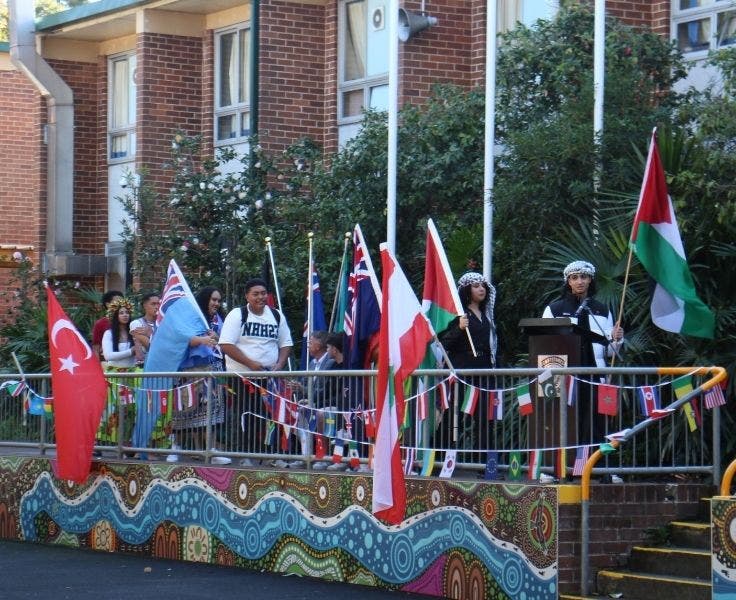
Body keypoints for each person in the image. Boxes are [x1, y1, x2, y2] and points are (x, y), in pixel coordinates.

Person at [542, 260, 624, 453]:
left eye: (584, 277)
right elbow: (544, 345)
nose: (579, 281)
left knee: (597, 421)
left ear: (590, 280)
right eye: (574, 277)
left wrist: (616, 340)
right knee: (564, 421)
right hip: (564, 376)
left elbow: (610, 352)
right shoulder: (554, 309)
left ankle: (599, 468)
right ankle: (560, 468)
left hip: (596, 376)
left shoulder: (602, 310)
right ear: (568, 281)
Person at [218, 278, 293, 466]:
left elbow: (286, 344)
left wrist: (280, 364)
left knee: (271, 417)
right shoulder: (237, 315)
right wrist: (250, 363)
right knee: (246, 416)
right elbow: (226, 344)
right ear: (247, 296)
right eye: (255, 293)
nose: (260, 297)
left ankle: (271, 455)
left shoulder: (276, 315)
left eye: (263, 293)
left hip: (269, 378)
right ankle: (246, 456)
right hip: (242, 378)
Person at [437, 271, 498, 459]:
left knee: (485, 417)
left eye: (483, 286)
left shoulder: (488, 315)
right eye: (476, 286)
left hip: (485, 371)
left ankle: (482, 462)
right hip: (462, 371)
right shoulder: (457, 314)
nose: (481, 289)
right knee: (453, 417)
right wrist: (459, 328)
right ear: (466, 290)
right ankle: (441, 457)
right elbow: (443, 343)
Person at [169, 287, 229, 464]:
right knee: (183, 409)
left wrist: (217, 337)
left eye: (218, 300)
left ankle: (210, 450)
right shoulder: (191, 317)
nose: (217, 304)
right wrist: (202, 340)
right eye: (213, 300)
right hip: (189, 370)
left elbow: (225, 342)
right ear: (204, 300)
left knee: (211, 410)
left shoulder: (219, 320)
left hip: (214, 368)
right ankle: (175, 448)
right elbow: (180, 338)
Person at [99, 297, 137, 450]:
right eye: (121, 313)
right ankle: (103, 442)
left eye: (127, 312)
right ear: (115, 315)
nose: (125, 315)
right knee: (113, 409)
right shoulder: (108, 334)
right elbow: (108, 356)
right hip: (114, 377)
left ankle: (126, 442)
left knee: (129, 410)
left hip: (131, 376)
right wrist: (130, 351)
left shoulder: (133, 332)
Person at [129, 293, 161, 366]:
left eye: (158, 304)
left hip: (161, 364)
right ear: (145, 306)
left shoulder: (163, 323)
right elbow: (152, 347)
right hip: (144, 366)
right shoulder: (136, 323)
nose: (157, 307)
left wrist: (149, 334)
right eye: (153, 304)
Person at [91, 290, 123, 361]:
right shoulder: (100, 323)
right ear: (108, 304)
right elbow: (96, 348)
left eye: (122, 302)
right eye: (118, 302)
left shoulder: (128, 321)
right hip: (108, 362)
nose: (121, 304)